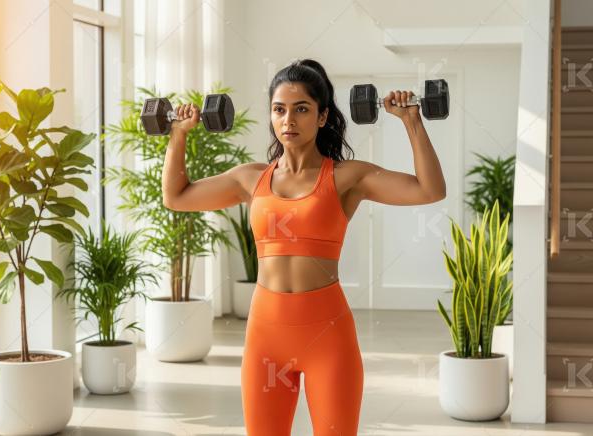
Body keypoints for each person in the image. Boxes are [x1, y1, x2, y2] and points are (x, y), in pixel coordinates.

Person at [162, 58, 447, 436]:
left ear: (323, 116)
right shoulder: (249, 179)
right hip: (266, 336)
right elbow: (176, 197)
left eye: (301, 109)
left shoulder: (348, 177)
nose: (289, 120)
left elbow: (430, 189)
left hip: (328, 338)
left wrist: (412, 122)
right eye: (279, 110)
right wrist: (179, 134)